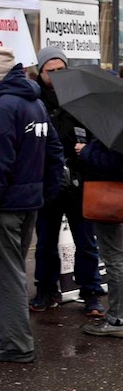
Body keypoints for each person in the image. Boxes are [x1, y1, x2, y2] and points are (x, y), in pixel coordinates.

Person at [0, 46, 63, 364]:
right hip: (28, 202)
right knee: (0, 270)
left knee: (6, 274)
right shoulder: (34, 103)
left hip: (7, 205)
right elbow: (55, 152)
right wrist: (45, 193)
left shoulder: (4, 107)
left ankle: (17, 343)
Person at [30, 46, 104, 315]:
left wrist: (87, 151)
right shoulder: (33, 100)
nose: (57, 76)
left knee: (86, 241)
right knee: (46, 241)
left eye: (62, 70)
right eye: (51, 71)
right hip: (47, 181)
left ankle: (92, 293)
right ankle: (46, 291)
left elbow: (99, 134)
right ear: (40, 73)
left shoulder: (81, 98)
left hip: (79, 180)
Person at [76, 139, 123, 336]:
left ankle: (117, 318)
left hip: (111, 199)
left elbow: (115, 163)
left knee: (114, 258)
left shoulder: (116, 129)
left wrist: (86, 151)